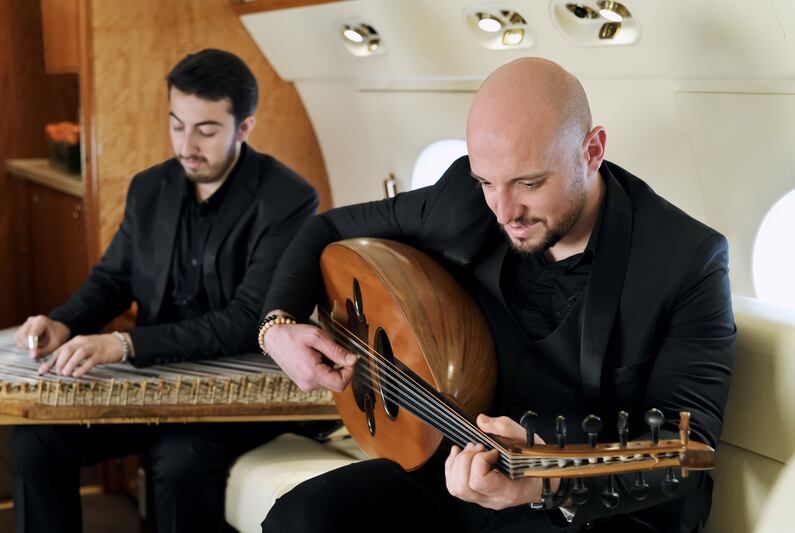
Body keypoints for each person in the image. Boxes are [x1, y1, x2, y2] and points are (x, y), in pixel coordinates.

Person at [258, 57, 735, 532]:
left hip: (586, 510)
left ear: (591, 151)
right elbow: (328, 228)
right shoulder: (461, 199)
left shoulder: (685, 259)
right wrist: (276, 327)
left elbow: (684, 454)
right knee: (300, 517)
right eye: (487, 182)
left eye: (529, 183)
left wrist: (546, 481)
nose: (505, 211)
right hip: (454, 469)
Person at [11, 49, 320, 533]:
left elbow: (246, 320)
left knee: (181, 459)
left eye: (207, 130)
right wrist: (64, 322)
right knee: (36, 440)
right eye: (177, 125)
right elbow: (114, 278)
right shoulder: (148, 188)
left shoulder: (289, 199)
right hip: (153, 382)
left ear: (244, 127)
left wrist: (124, 344)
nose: (187, 144)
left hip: (238, 393)